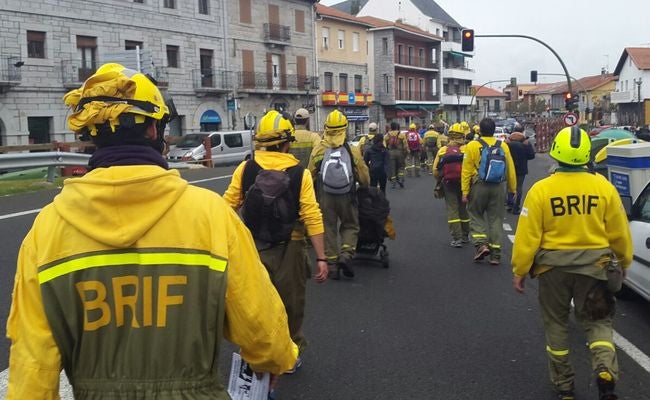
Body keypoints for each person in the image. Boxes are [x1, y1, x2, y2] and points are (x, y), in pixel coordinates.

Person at [6, 63, 298, 399]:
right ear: (152, 131)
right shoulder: (210, 214)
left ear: (89, 134)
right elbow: (261, 327)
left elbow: (32, 367)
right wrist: (275, 360)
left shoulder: (48, 228)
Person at [512, 126, 633, 400]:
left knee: (556, 324)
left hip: (552, 269)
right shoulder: (604, 188)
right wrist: (624, 261)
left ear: (556, 152)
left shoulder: (541, 190)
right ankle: (605, 368)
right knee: (598, 322)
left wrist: (519, 270)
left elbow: (527, 236)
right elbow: (619, 232)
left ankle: (564, 386)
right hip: (596, 267)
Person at [223, 110, 329, 373]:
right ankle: (289, 354)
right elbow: (311, 215)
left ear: (259, 142)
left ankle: (254, 352)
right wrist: (322, 258)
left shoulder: (245, 168)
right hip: (290, 248)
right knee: (291, 302)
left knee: (255, 303)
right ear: (286, 143)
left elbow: (227, 206)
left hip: (253, 247)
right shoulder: (299, 173)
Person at [308, 110, 370, 279]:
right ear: (345, 128)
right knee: (350, 224)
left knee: (328, 228)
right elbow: (363, 174)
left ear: (326, 128)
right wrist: (365, 186)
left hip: (325, 195)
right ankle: (346, 254)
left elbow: (310, 174)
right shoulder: (351, 150)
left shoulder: (318, 149)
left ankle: (333, 265)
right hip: (347, 195)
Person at [461, 117, 516, 265]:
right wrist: (512, 189)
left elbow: (466, 171)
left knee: (475, 214)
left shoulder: (472, 146)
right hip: (498, 187)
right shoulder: (503, 146)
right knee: (496, 219)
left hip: (478, 186)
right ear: (493, 130)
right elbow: (510, 169)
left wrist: (465, 191)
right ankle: (496, 254)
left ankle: (481, 244)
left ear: (480, 130)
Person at [433, 123, 470, 247]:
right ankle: (465, 235)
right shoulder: (468, 149)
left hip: (448, 183)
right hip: (465, 183)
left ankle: (457, 238)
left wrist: (441, 177)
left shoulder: (443, 150)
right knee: (463, 208)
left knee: (452, 209)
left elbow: (435, 171)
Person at [505, 124, 535, 214]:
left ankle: (509, 204)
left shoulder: (508, 142)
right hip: (521, 168)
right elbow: (531, 155)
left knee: (509, 185)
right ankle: (516, 206)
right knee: (519, 187)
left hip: (509, 167)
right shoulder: (525, 143)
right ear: (522, 131)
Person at [384, 121, 408, 188]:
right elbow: (405, 146)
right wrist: (405, 153)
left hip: (390, 153)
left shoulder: (387, 135)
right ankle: (400, 179)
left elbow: (384, 145)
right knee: (401, 167)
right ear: (397, 127)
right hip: (400, 153)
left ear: (391, 127)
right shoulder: (401, 135)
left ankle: (393, 183)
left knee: (392, 168)